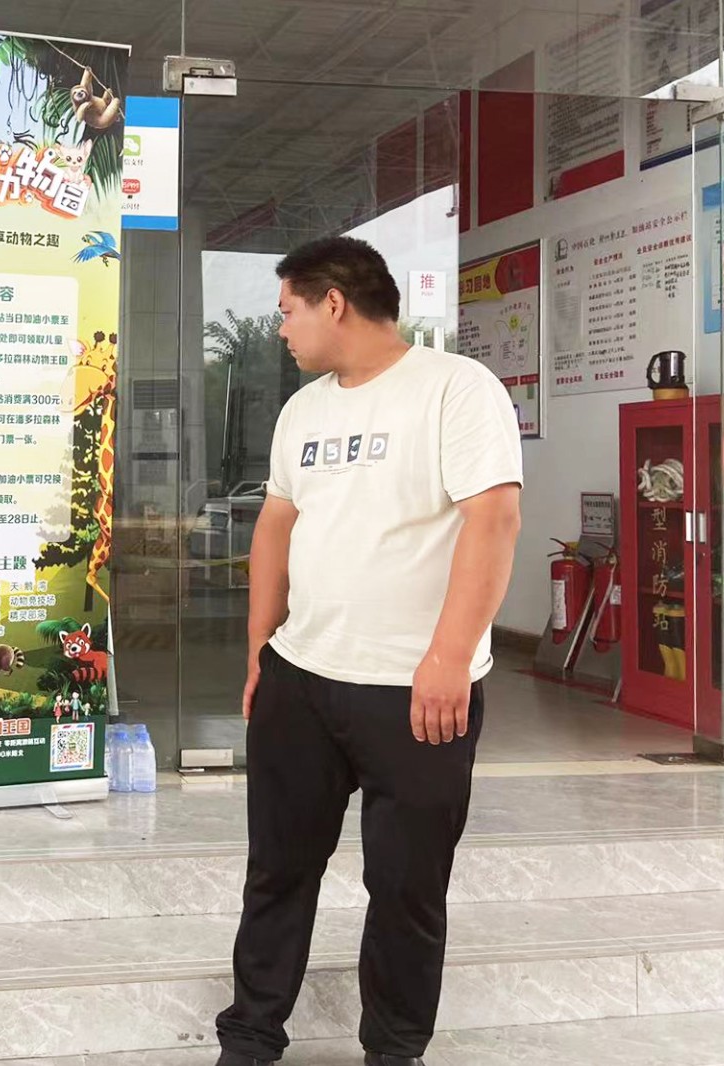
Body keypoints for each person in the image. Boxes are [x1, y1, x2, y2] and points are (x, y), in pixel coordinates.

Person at [215, 236, 522, 1066]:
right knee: (277, 871)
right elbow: (276, 527)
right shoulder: (303, 411)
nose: (281, 329)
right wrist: (259, 651)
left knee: (406, 887)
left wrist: (449, 657)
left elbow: (493, 519)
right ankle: (250, 1039)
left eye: (287, 311)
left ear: (334, 302)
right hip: (301, 680)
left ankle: (393, 1050)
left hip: (416, 690)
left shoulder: (455, 387)